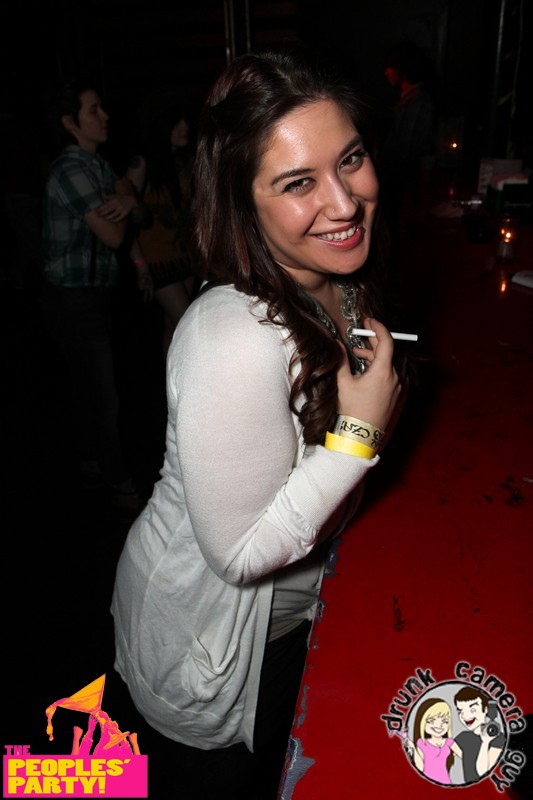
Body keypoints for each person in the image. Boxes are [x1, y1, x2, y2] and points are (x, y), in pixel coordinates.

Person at [111, 44, 403, 800]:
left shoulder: (336, 277)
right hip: (210, 641)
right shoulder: (231, 336)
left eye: (351, 160)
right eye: (298, 183)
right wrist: (359, 437)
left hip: (293, 616)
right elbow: (239, 555)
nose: (344, 203)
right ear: (243, 203)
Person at [40, 74, 144, 514]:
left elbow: (132, 200)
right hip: (71, 298)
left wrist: (130, 199)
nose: (105, 116)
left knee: (91, 386)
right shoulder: (70, 168)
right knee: (103, 393)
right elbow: (115, 234)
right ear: (70, 122)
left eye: (102, 107)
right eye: (93, 110)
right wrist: (128, 199)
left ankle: (89, 461)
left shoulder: (96, 164)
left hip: (94, 292)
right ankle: (119, 482)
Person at [125, 90, 198, 356]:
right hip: (156, 260)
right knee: (187, 322)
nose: (184, 127)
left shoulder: (183, 162)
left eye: (185, 120)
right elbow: (127, 217)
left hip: (182, 256)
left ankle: (169, 378)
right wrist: (140, 265)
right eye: (176, 122)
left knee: (173, 325)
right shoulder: (141, 163)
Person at [378, 41, 437, 232]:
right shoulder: (410, 99)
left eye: (389, 68)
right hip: (401, 184)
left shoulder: (417, 102)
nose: (386, 73)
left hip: (405, 186)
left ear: (400, 70)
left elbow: (403, 151)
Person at [402, 697, 462, 785]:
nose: (439, 725)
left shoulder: (449, 742)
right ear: (422, 722)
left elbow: (465, 757)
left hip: (445, 782)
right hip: (426, 783)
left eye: (444, 721)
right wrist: (413, 748)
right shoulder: (422, 743)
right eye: (431, 721)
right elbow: (420, 767)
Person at [454, 686, 505, 783]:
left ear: (485, 709)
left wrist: (485, 742)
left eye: (473, 710)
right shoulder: (463, 737)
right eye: (460, 711)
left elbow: (483, 772)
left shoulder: (498, 738)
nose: (465, 716)